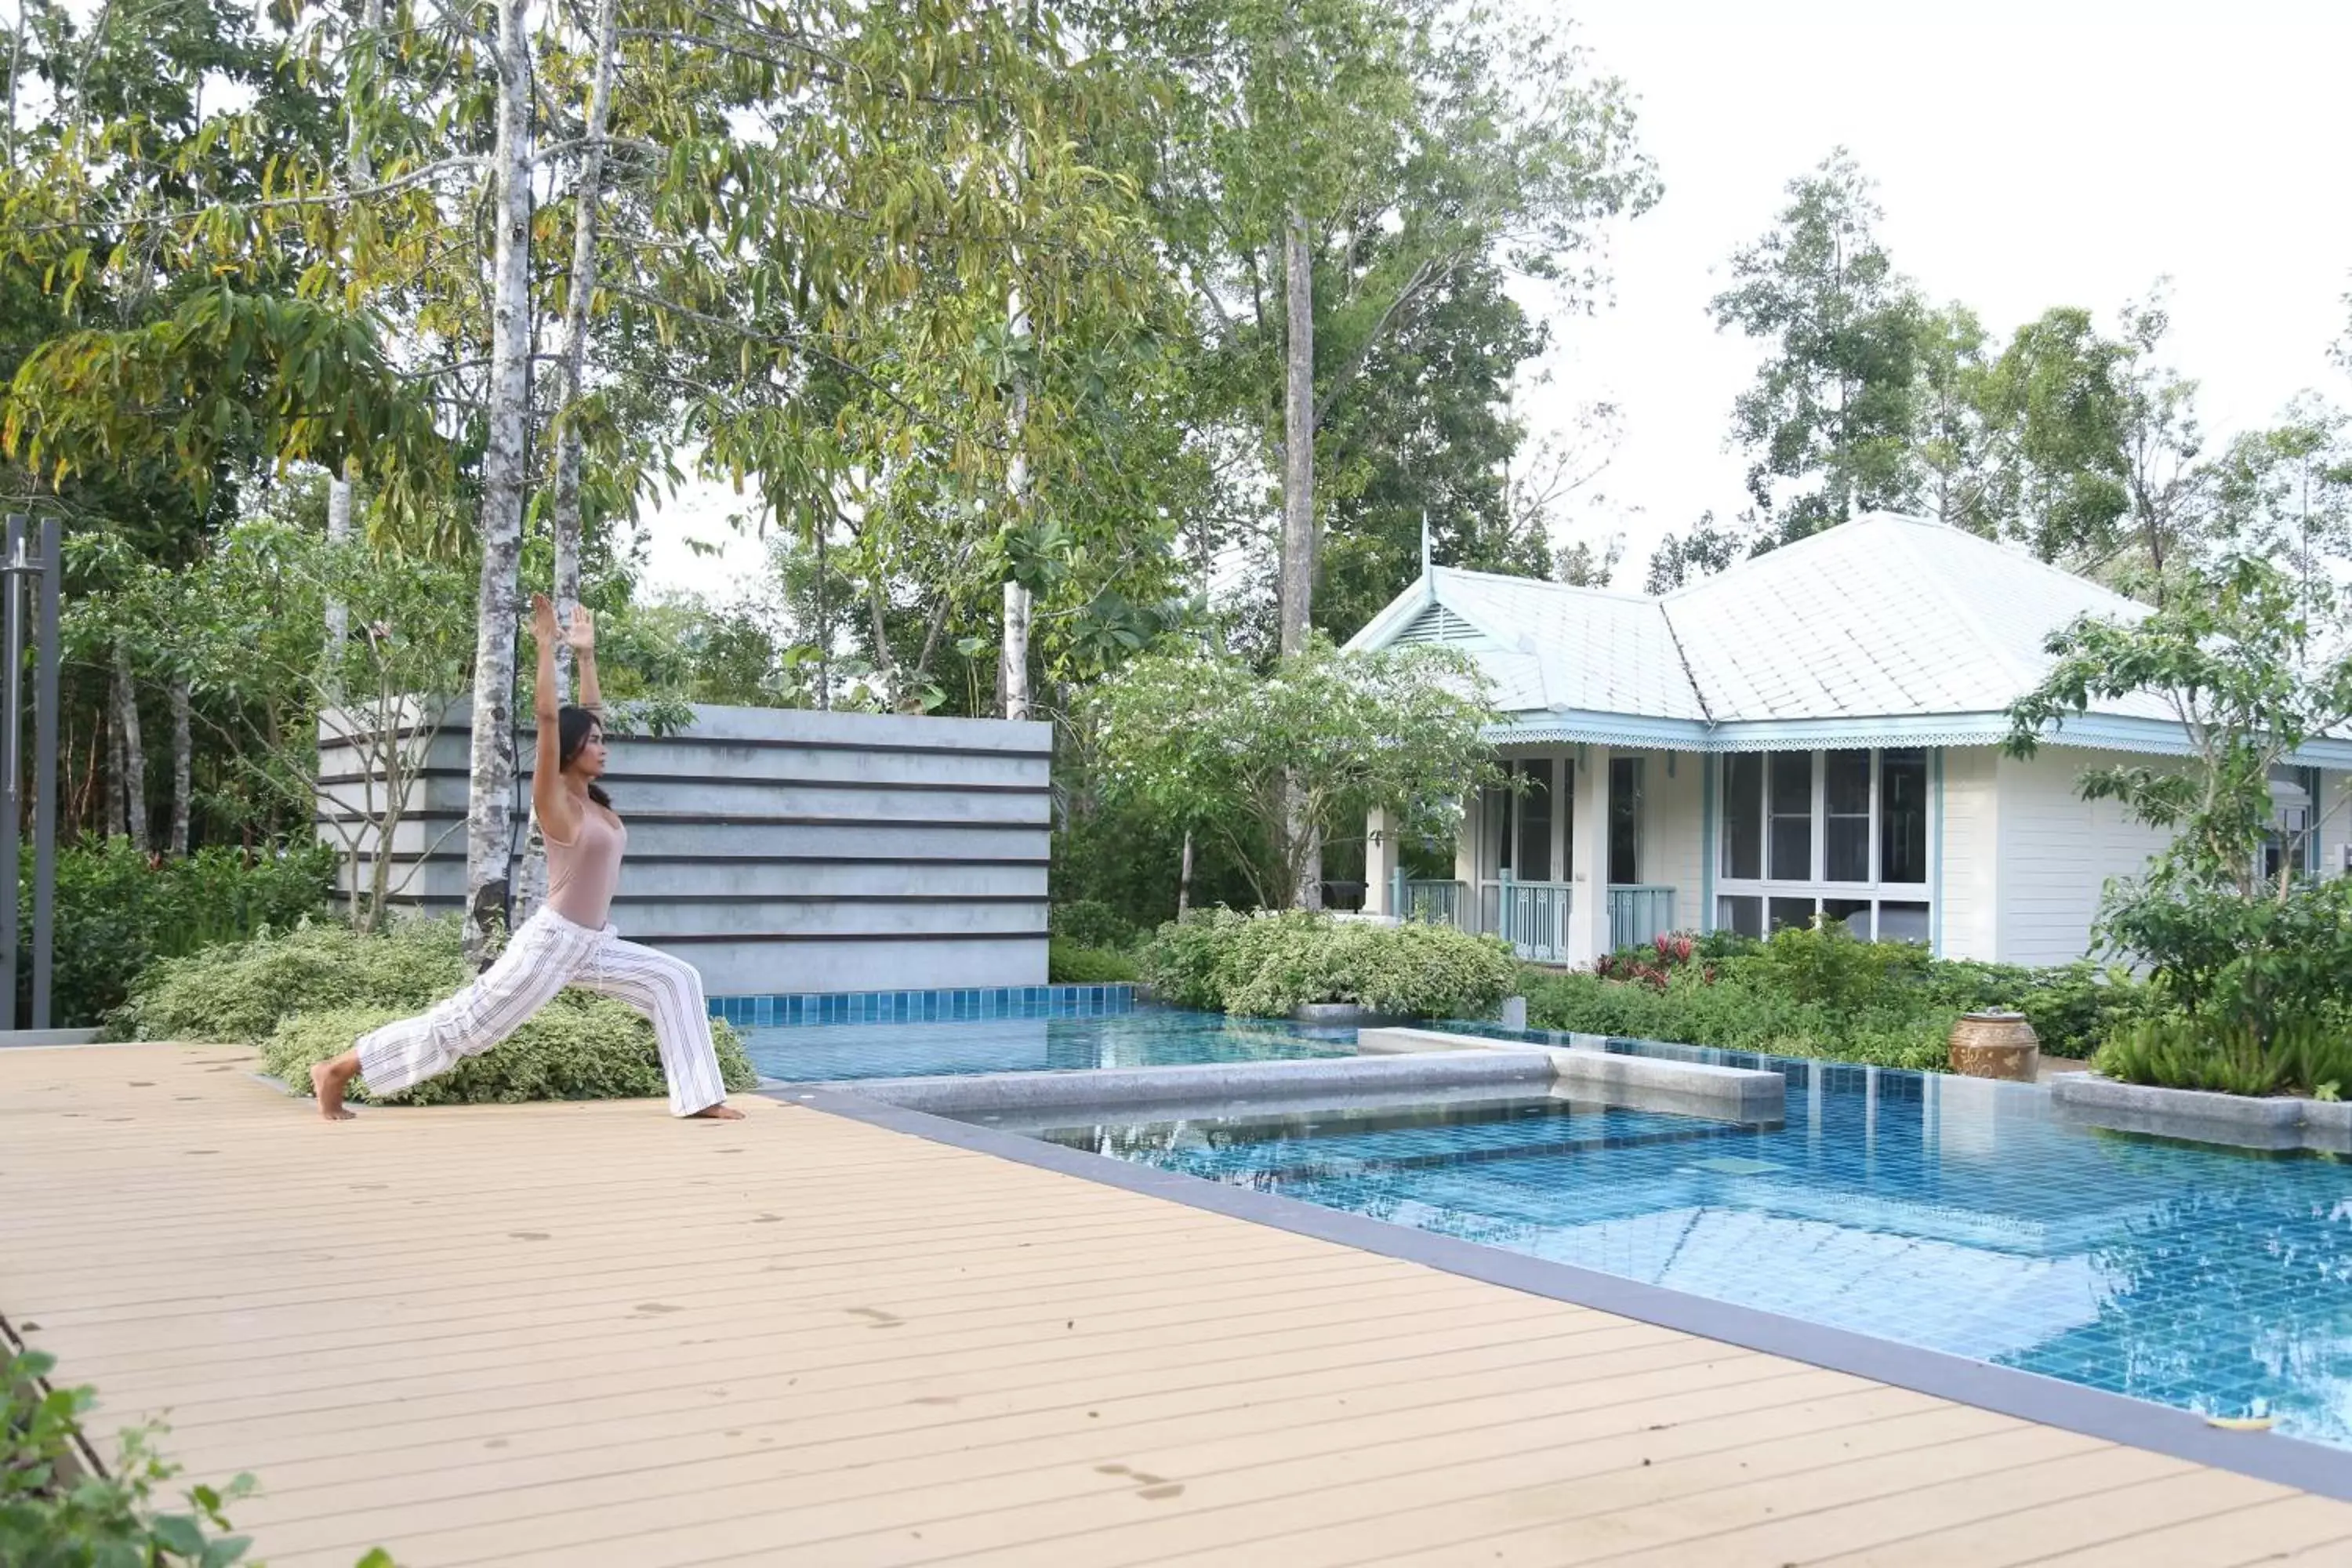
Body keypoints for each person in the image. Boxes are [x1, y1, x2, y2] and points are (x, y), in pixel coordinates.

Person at [311, 593, 743, 1123]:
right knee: (467, 1028)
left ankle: (701, 1099)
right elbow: (546, 721)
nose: (603, 747)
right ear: (569, 751)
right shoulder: (555, 803)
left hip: (592, 945)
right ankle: (339, 1069)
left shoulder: (594, 805)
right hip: (550, 946)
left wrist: (586, 657)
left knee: (676, 980)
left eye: (603, 740)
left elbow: (590, 714)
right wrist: (544, 648)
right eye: (593, 742)